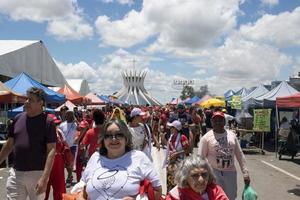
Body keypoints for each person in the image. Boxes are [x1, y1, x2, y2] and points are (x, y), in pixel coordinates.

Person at [78, 119, 162, 200]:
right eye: (108, 135)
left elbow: (157, 190)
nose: (114, 139)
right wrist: (80, 196)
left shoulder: (139, 158)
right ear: (103, 139)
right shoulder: (95, 158)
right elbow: (82, 186)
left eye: (119, 135)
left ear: (126, 138)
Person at [0, 87, 56, 200]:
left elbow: (51, 151)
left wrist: (44, 178)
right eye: (26, 99)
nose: (26, 102)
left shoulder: (48, 122)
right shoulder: (17, 118)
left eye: (30, 100)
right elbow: (9, 144)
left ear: (41, 103)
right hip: (16, 173)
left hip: (37, 174)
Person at [198, 111, 250, 200]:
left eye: (220, 120)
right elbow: (200, 158)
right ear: (211, 122)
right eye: (215, 120)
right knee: (215, 197)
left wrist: (245, 173)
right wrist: (201, 176)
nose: (218, 122)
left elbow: (239, 155)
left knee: (231, 197)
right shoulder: (206, 138)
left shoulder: (232, 135)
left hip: (230, 173)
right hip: (214, 173)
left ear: (224, 121)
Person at [44, 114, 66, 200]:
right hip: (45, 163)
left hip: (58, 162)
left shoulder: (59, 132)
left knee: (59, 187)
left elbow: (65, 145)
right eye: (53, 124)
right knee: (43, 188)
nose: (55, 126)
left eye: (56, 124)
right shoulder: (41, 133)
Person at [164, 120, 190, 192]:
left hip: (180, 163)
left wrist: (177, 154)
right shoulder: (171, 137)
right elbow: (169, 147)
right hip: (172, 162)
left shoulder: (183, 137)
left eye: (171, 127)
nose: (170, 128)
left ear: (175, 129)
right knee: (170, 180)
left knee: (178, 181)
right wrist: (163, 139)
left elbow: (188, 150)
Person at [59, 110, 78, 186]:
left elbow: (80, 133)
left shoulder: (76, 124)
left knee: (70, 163)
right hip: (65, 146)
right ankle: (70, 176)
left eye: (71, 114)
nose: (69, 116)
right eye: (68, 114)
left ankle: (69, 178)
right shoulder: (62, 125)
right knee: (67, 163)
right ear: (66, 116)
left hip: (73, 146)